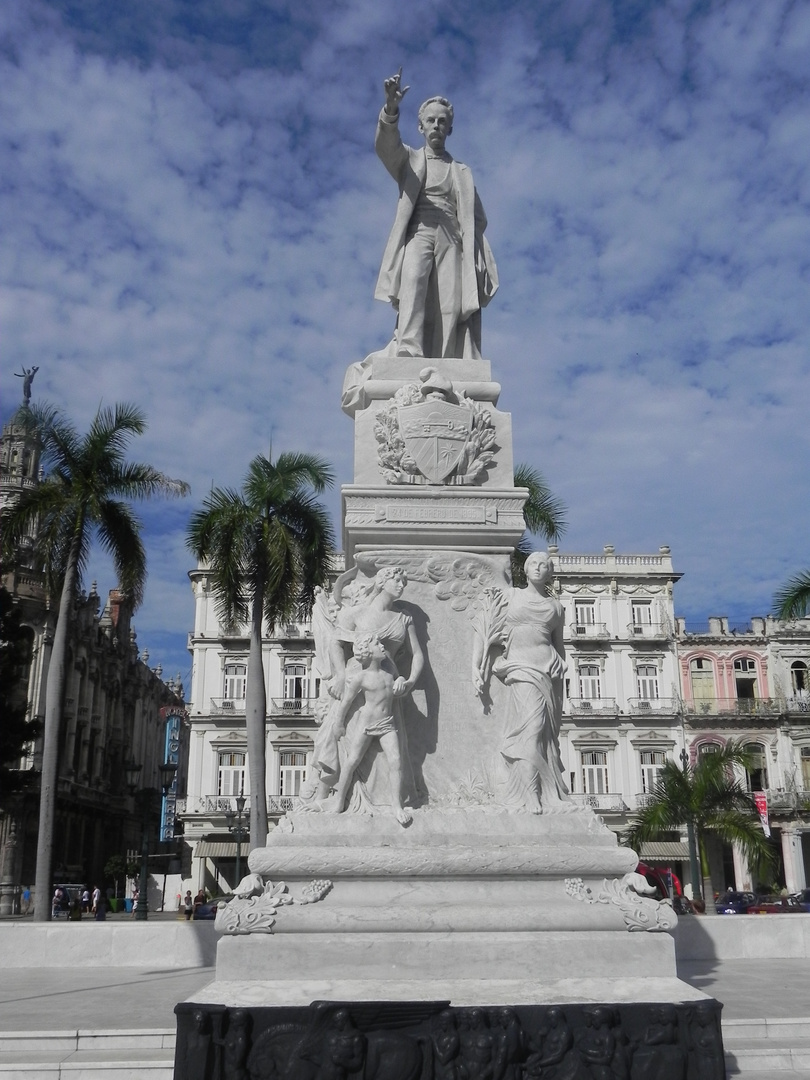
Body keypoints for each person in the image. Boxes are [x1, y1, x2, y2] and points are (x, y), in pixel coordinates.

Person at [375, 68, 498, 359]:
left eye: (442, 122)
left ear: (450, 129)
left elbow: (477, 217)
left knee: (450, 302)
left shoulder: (461, 173)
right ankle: (409, 350)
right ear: (420, 127)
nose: (436, 126)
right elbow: (386, 147)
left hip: (452, 239)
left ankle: (447, 358)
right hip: (420, 232)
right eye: (430, 121)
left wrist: (472, 246)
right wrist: (390, 110)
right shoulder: (411, 160)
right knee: (414, 286)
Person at [472, 551, 570, 813]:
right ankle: (531, 794)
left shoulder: (556, 607)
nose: (538, 568)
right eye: (534, 564)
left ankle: (542, 790)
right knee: (532, 728)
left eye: (544, 565)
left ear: (550, 573)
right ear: (525, 570)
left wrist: (562, 663)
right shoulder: (511, 596)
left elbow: (559, 647)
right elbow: (484, 630)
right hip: (520, 667)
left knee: (543, 735)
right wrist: (476, 664)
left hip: (546, 670)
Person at [327, 633, 412, 825]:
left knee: (396, 761)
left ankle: (396, 806)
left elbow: (401, 682)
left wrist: (401, 681)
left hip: (387, 723)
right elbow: (346, 702)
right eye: (377, 644)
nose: (382, 647)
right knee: (352, 761)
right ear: (367, 652)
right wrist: (338, 723)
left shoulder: (390, 672)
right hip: (366, 725)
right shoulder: (361, 678)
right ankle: (339, 800)